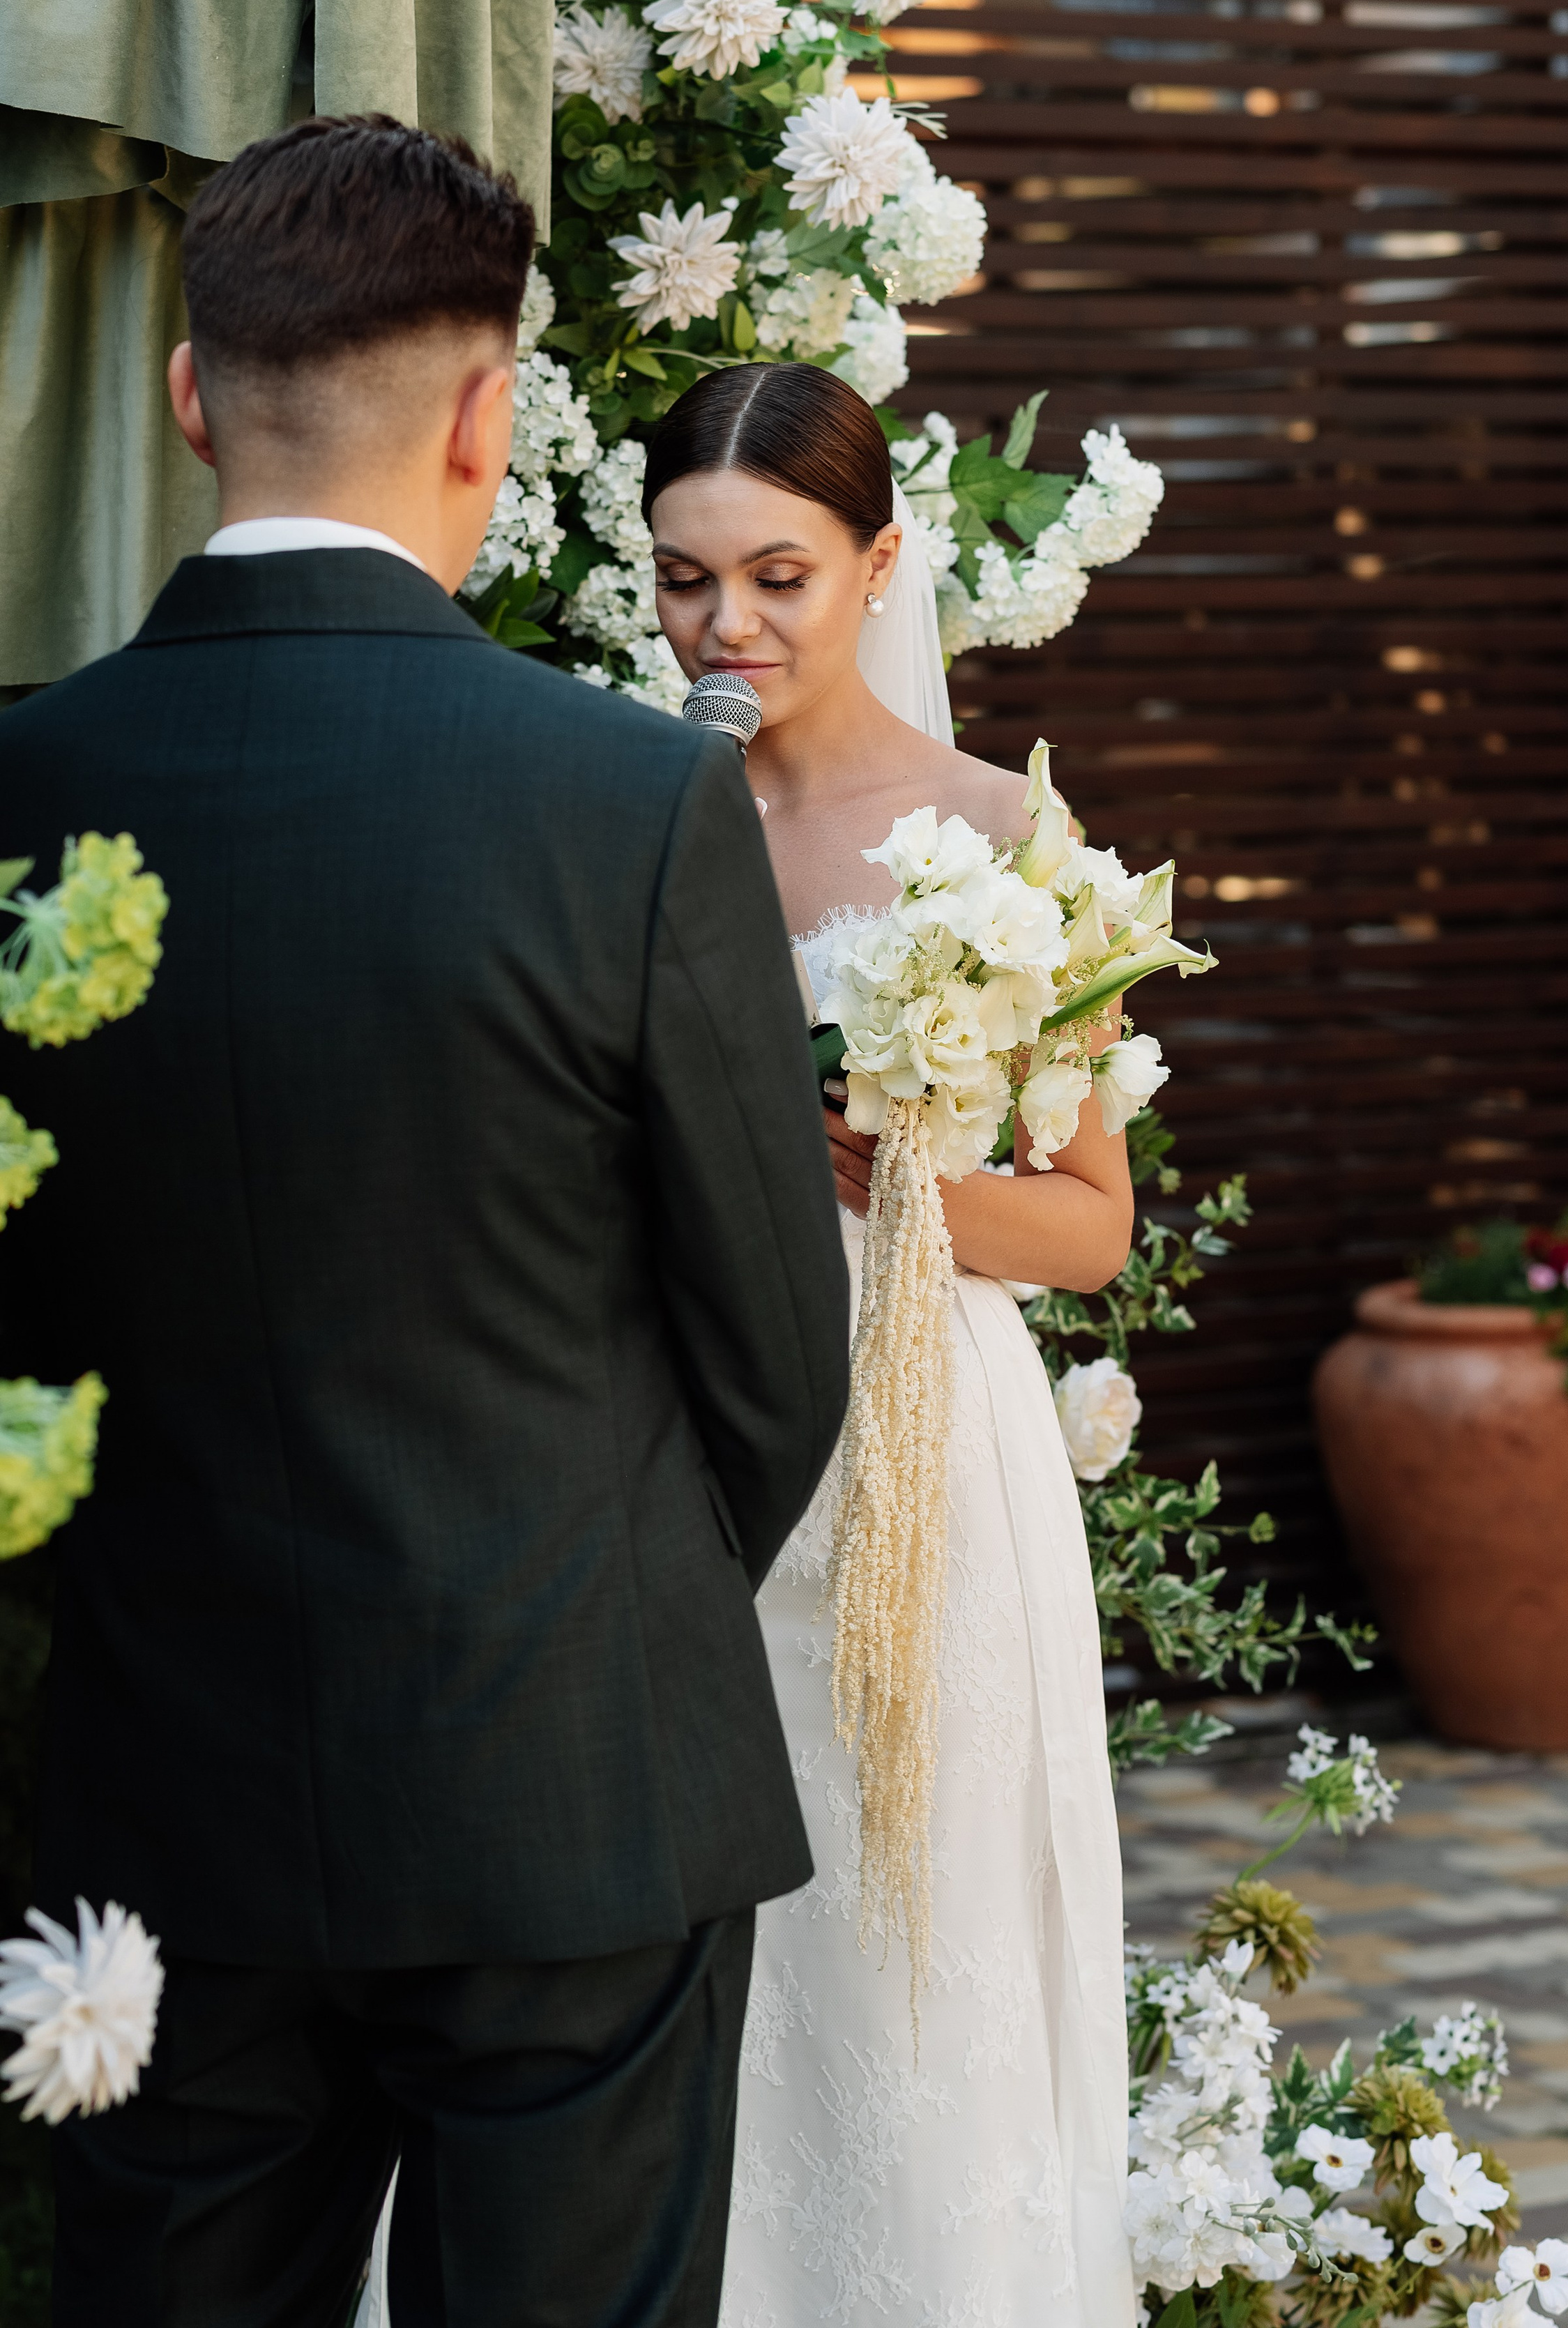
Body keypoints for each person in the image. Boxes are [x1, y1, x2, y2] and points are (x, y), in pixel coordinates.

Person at [0, 121, 852, 2325]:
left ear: (193, 396)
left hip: (155, 1801)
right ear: (491, 416)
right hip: (572, 1790)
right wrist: (589, 1611)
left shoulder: (22, 794)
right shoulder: (632, 798)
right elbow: (773, 1352)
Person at [644, 363, 1137, 2328]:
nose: (729, 626)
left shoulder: (1001, 832)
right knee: (725, 1942)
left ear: (880, 563)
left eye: (778, 574)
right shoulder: (625, 807)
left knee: (918, 1928)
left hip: (933, 1451)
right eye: (688, 581)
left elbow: (1091, 1226)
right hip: (688, 1454)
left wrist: (899, 1178)